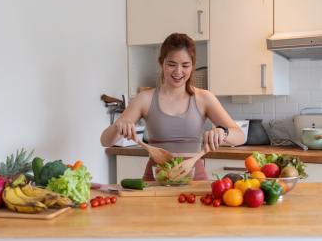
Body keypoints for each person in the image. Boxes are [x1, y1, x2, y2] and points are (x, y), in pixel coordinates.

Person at [101, 33, 245, 181]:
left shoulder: (204, 98)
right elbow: (105, 141)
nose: (178, 71)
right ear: (161, 63)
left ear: (193, 65)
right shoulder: (145, 98)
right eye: (171, 64)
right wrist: (119, 125)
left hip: (194, 180)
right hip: (155, 181)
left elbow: (240, 136)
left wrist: (224, 132)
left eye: (185, 65)